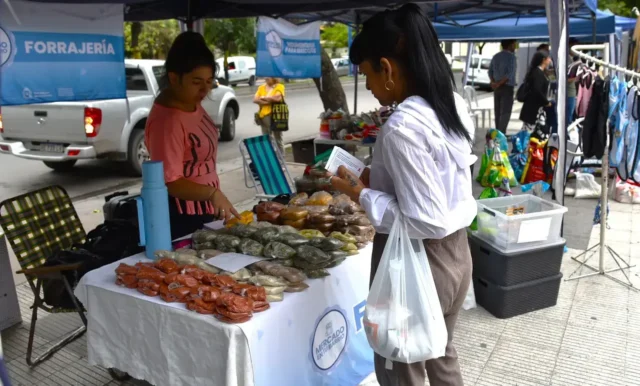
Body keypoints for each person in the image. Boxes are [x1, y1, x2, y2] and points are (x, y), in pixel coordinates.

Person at [330, 4, 476, 386]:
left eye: (367, 75)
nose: (371, 88)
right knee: (440, 353)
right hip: (457, 255)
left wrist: (361, 194)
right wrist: (373, 178)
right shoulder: (450, 104)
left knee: (400, 367)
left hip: (419, 260)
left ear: (387, 68)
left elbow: (425, 220)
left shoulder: (403, 126)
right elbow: (436, 184)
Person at [145, 32, 239, 240]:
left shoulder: (191, 104)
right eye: (196, 82)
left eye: (209, 81)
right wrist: (212, 194)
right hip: (182, 215)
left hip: (206, 208)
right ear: (173, 78)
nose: (205, 89)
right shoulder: (167, 121)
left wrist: (213, 196)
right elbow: (171, 181)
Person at [489, 39, 517, 134]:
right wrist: (499, 83)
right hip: (507, 87)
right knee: (505, 112)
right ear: (509, 45)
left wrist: (494, 83)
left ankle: (498, 132)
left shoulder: (495, 56)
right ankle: (501, 134)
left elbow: (490, 72)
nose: (515, 47)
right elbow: (509, 74)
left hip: (497, 88)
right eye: (514, 45)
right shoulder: (512, 57)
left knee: (497, 112)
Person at [520, 50, 552, 131]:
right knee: (529, 132)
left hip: (535, 108)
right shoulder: (537, 73)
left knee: (533, 132)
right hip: (533, 109)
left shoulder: (539, 72)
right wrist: (546, 102)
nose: (550, 60)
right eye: (548, 58)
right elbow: (537, 90)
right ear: (543, 60)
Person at [253, 77, 285, 154]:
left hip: (276, 116)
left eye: (268, 77)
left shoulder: (279, 86)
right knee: (266, 139)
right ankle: (270, 158)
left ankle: (281, 161)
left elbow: (277, 99)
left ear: (273, 77)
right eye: (265, 77)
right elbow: (255, 100)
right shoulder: (261, 88)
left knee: (278, 139)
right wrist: (269, 101)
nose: (266, 78)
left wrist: (263, 98)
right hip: (263, 117)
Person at [567, 37, 581, 125]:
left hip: (574, 92)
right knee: (568, 117)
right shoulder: (567, 60)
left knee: (571, 116)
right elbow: (564, 79)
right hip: (569, 93)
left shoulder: (575, 59)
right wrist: (577, 78)